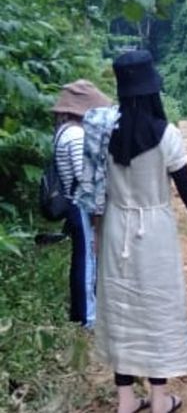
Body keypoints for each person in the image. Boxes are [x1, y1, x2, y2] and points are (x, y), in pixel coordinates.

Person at [89, 50, 187, 413]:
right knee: (156, 309)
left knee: (122, 308)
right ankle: (159, 399)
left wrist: (96, 235)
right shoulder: (165, 134)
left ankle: (125, 401)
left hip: (115, 229)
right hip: (153, 231)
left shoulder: (103, 132)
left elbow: (95, 190)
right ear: (153, 89)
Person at [51, 79, 111, 329]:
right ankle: (87, 318)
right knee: (87, 261)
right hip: (80, 204)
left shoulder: (64, 131)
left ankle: (82, 313)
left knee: (83, 258)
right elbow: (83, 174)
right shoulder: (76, 134)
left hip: (74, 203)